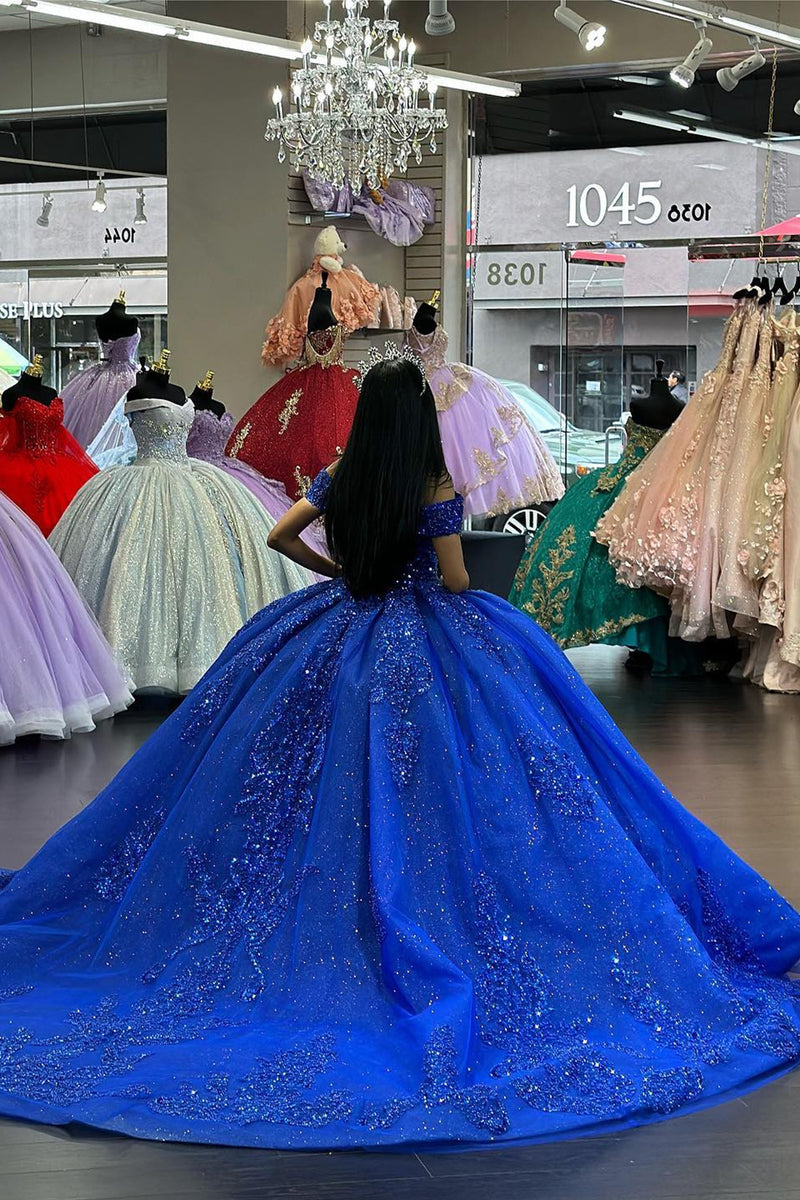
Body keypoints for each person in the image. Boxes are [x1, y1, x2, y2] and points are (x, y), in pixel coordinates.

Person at [0, 345, 797, 1153]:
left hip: (338, 625)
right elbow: (453, 584)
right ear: (421, 420)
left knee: (291, 782)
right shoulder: (433, 486)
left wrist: (339, 572)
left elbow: (281, 535)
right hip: (425, 634)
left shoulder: (345, 473)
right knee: (474, 780)